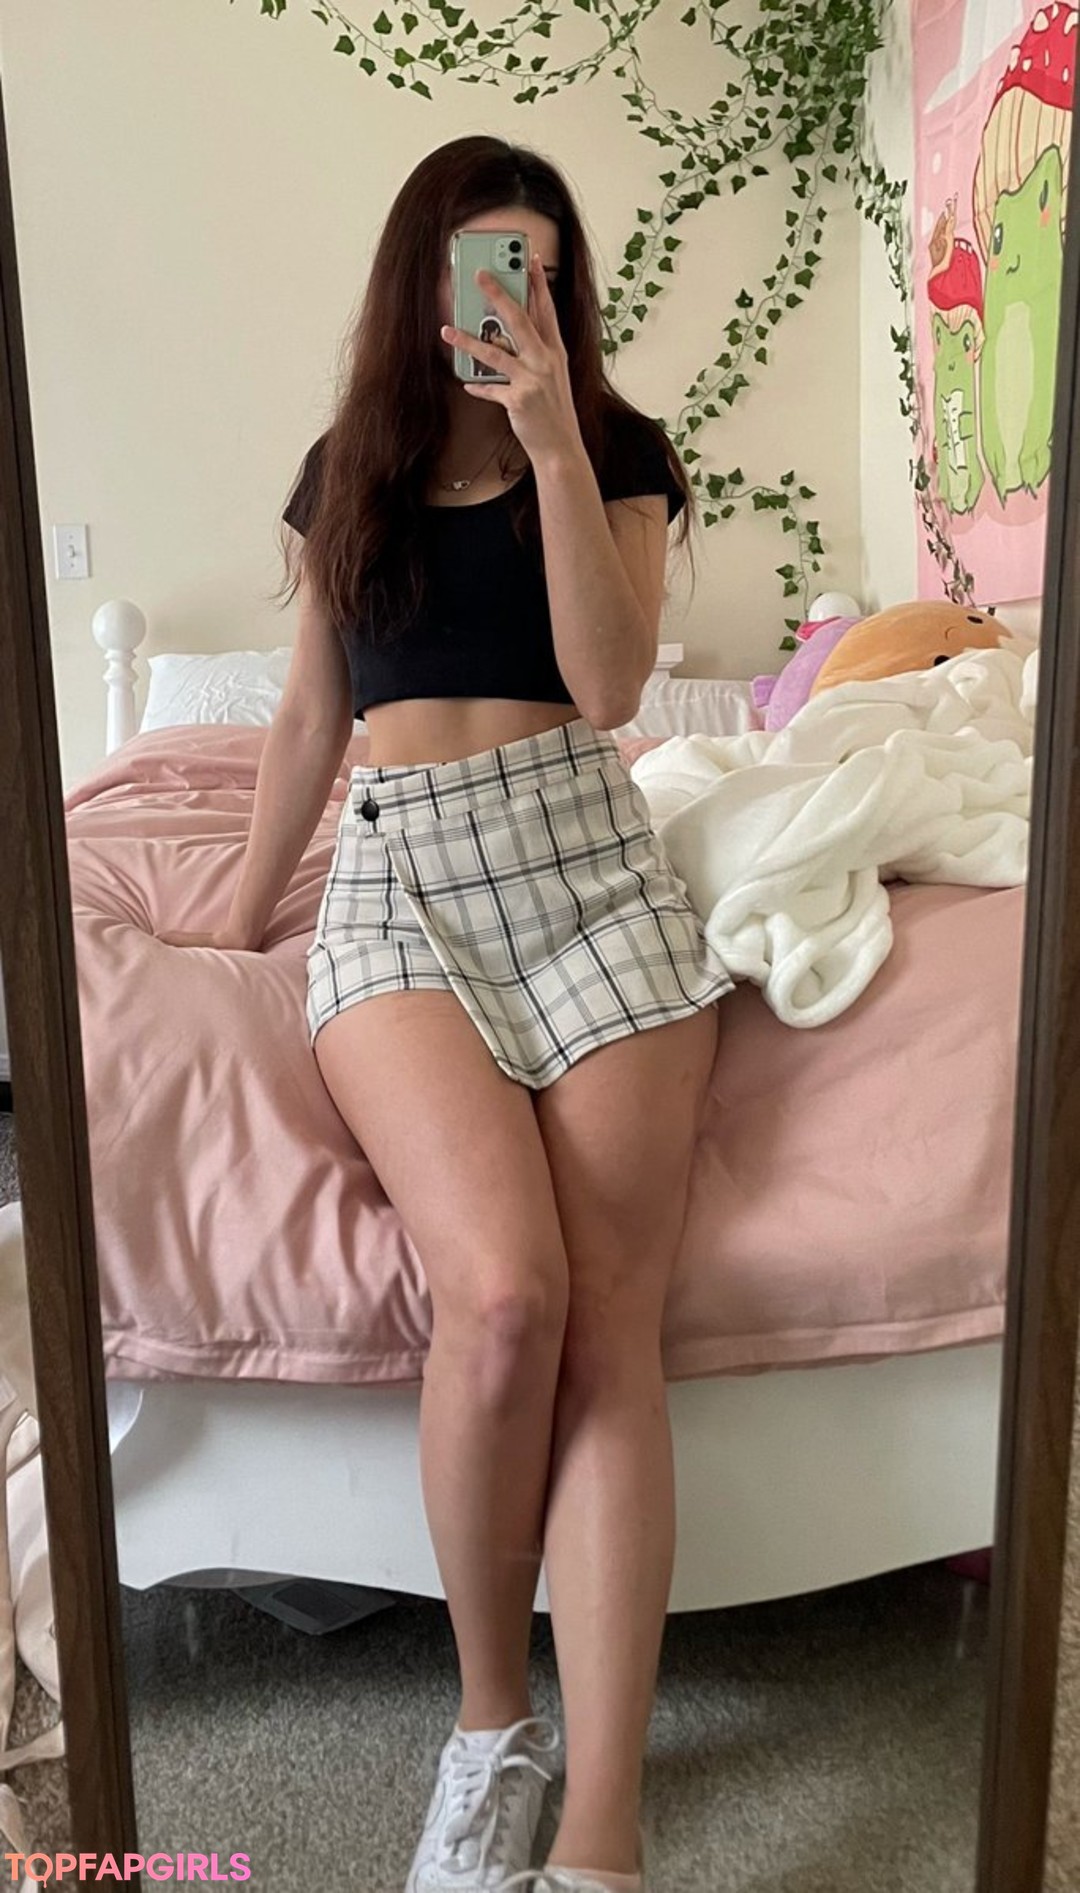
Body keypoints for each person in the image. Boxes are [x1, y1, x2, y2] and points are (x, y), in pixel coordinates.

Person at [165, 134, 733, 1893]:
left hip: (589, 866)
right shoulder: (348, 468)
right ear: (421, 278)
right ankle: (493, 1728)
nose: (513, 299)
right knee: (503, 1295)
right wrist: (234, 914)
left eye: (542, 274)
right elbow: (306, 721)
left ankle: (603, 1826)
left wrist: (554, 440)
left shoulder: (618, 449)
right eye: (485, 266)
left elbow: (612, 682)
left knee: (611, 1325)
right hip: (400, 870)